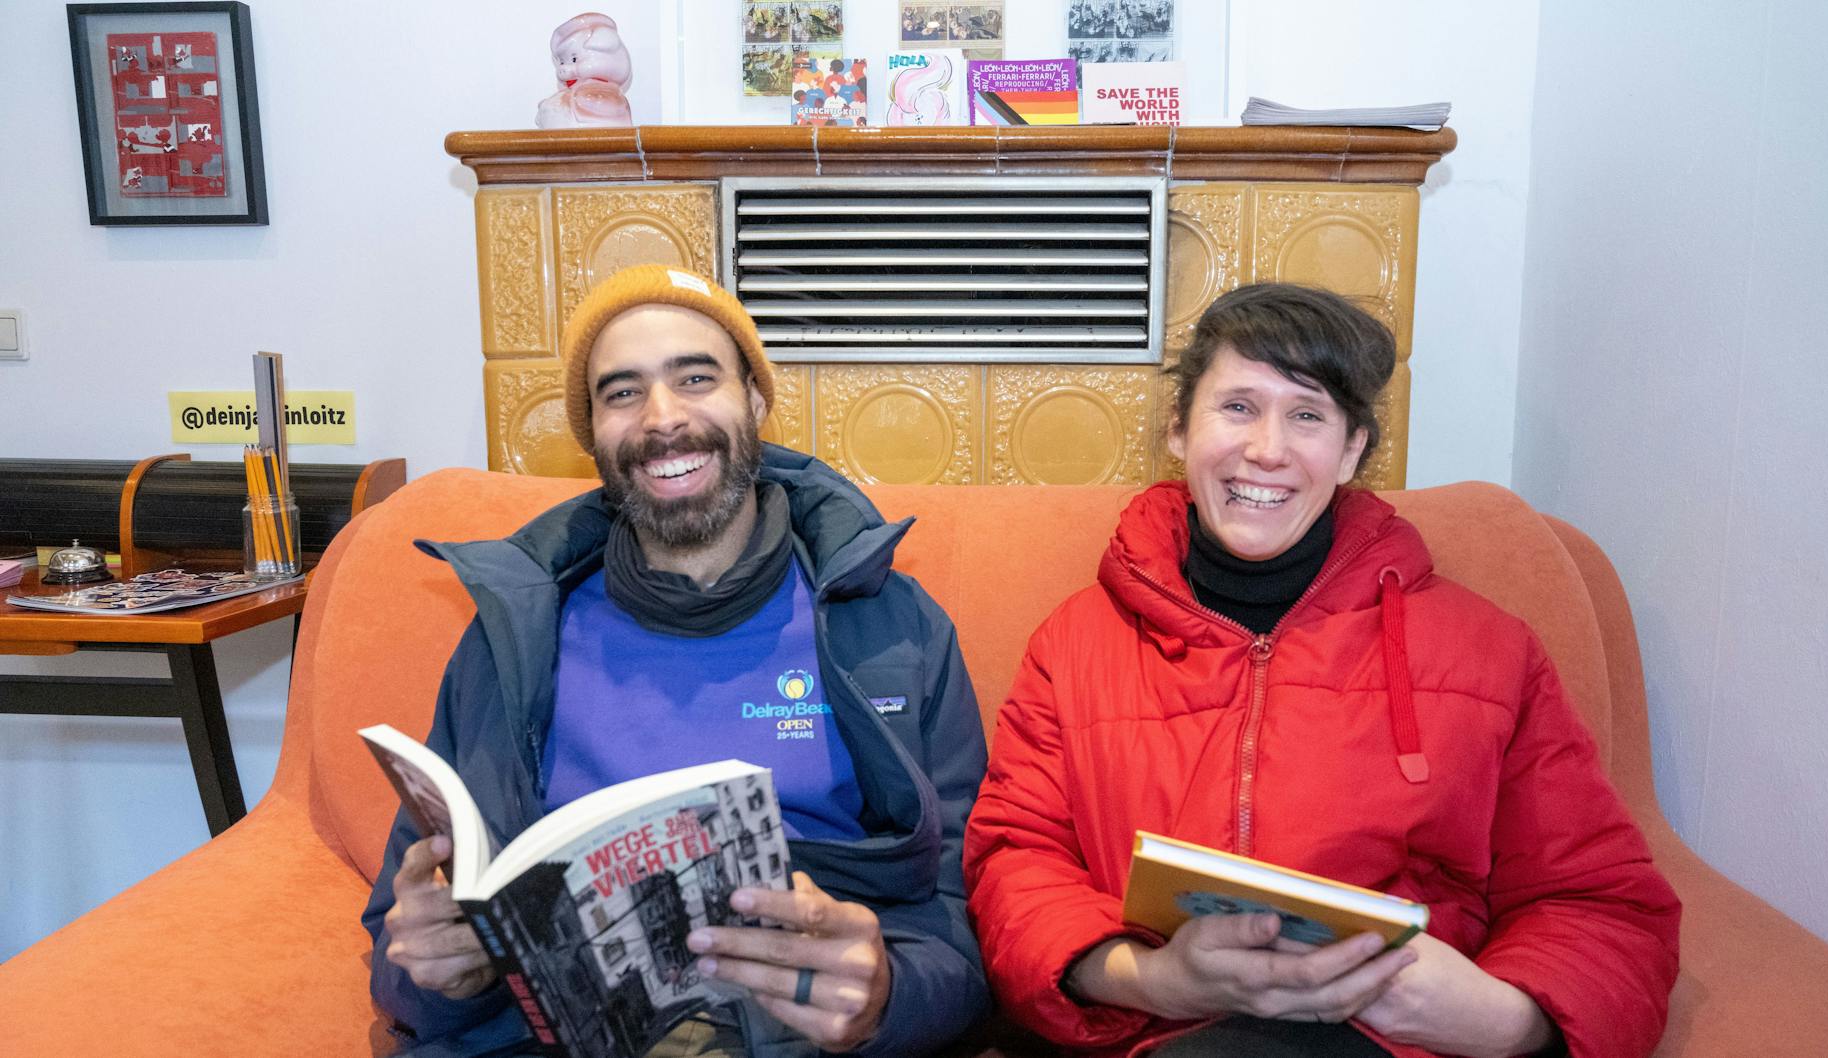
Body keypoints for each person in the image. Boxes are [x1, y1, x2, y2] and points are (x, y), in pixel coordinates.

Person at [963, 283, 1680, 1058]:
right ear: (1177, 429)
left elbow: (1601, 903)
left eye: (1307, 415)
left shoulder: (1489, 651)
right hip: (1160, 1037)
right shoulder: (1074, 645)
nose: (1267, 449)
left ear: (1351, 451)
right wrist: (1153, 978)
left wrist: (1500, 1018)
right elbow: (1015, 862)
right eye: (1237, 406)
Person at [362, 265, 989, 1057]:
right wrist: (432, 971)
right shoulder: (513, 637)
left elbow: (964, 929)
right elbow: (400, 945)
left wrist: (887, 1000)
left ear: (755, 401)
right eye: (622, 393)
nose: (663, 419)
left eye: (696, 378)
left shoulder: (891, 628)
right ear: (593, 434)